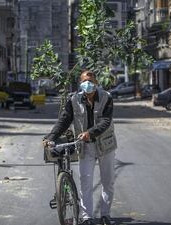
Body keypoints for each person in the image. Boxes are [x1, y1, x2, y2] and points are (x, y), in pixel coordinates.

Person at [43, 70, 117, 225]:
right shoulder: (73, 99)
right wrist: (51, 137)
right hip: (85, 146)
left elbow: (105, 121)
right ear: (80, 84)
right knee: (85, 182)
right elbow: (64, 120)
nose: (87, 83)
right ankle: (86, 217)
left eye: (90, 80)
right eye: (84, 81)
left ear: (96, 83)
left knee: (107, 181)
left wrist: (90, 133)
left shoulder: (106, 97)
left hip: (105, 145)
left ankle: (105, 215)